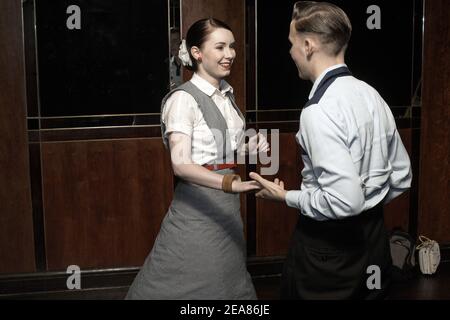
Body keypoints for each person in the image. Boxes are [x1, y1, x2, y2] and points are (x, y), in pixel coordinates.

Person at [249, 1, 412, 299]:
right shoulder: (371, 94)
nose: (290, 52)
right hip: (374, 242)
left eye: (292, 43)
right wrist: (368, 205)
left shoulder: (318, 110)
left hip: (328, 253)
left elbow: (345, 203)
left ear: (308, 45)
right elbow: (401, 176)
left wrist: (284, 196)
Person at [126, 18, 269, 300]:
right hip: (198, 211)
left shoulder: (227, 95)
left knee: (227, 281)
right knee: (181, 281)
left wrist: (249, 149)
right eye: (220, 47)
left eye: (232, 46)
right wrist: (231, 184)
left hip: (227, 209)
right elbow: (181, 164)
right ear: (196, 53)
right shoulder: (182, 100)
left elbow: (216, 154)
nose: (230, 54)